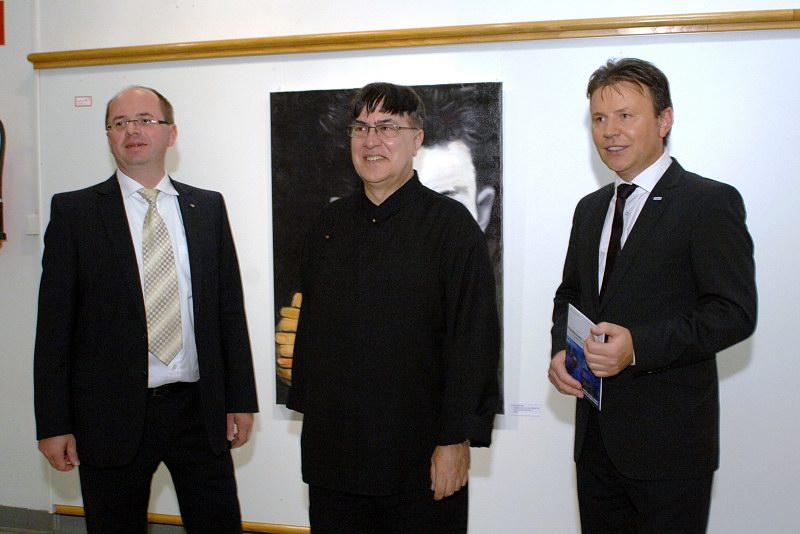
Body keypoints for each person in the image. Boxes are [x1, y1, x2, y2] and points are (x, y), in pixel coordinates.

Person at [34, 86, 258, 534]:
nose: (132, 130)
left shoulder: (206, 207)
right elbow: (54, 328)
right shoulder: (75, 213)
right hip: (109, 414)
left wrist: (240, 399)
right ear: (109, 137)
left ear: (171, 133)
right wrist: (53, 423)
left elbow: (229, 311)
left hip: (198, 409)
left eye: (145, 120)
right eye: (119, 123)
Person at [548, 58, 757, 533]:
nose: (609, 131)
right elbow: (571, 294)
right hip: (595, 442)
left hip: (670, 447)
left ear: (664, 120)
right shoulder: (590, 209)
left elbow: (734, 313)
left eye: (626, 115)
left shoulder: (708, 202)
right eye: (599, 119)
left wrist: (637, 347)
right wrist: (562, 350)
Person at [287, 82, 500, 533]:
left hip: (422, 460)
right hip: (335, 459)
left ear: (416, 139)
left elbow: (474, 340)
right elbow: (313, 336)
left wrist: (455, 440)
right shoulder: (326, 227)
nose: (372, 140)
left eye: (387, 127)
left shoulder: (452, 227)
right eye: (361, 128)